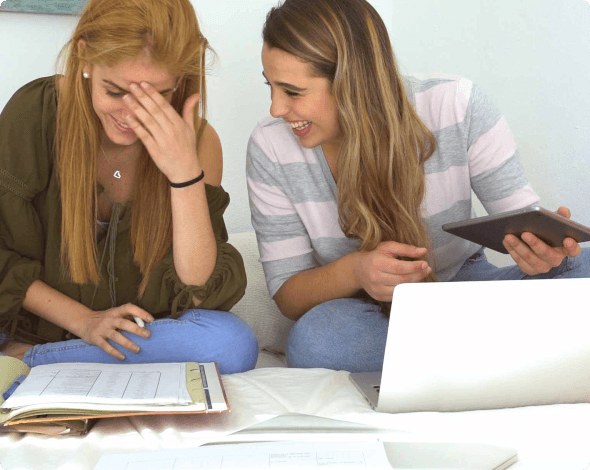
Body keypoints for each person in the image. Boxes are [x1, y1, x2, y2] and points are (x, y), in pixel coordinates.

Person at [246, 0, 590, 372]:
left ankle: (454, 356)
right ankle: (508, 352)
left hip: (463, 286)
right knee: (318, 342)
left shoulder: (457, 106)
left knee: (581, 267)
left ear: (352, 81)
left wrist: (541, 249)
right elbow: (289, 296)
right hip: (369, 311)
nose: (276, 109)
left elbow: (522, 222)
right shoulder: (271, 147)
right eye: (271, 87)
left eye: (292, 92)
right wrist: (357, 271)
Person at [0, 0, 257, 374]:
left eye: (155, 96)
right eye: (116, 91)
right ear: (85, 58)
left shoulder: (199, 142)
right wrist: (85, 322)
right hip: (29, 325)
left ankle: (31, 362)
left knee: (231, 343)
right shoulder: (36, 112)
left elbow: (199, 291)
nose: (131, 116)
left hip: (130, 337)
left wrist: (184, 174)